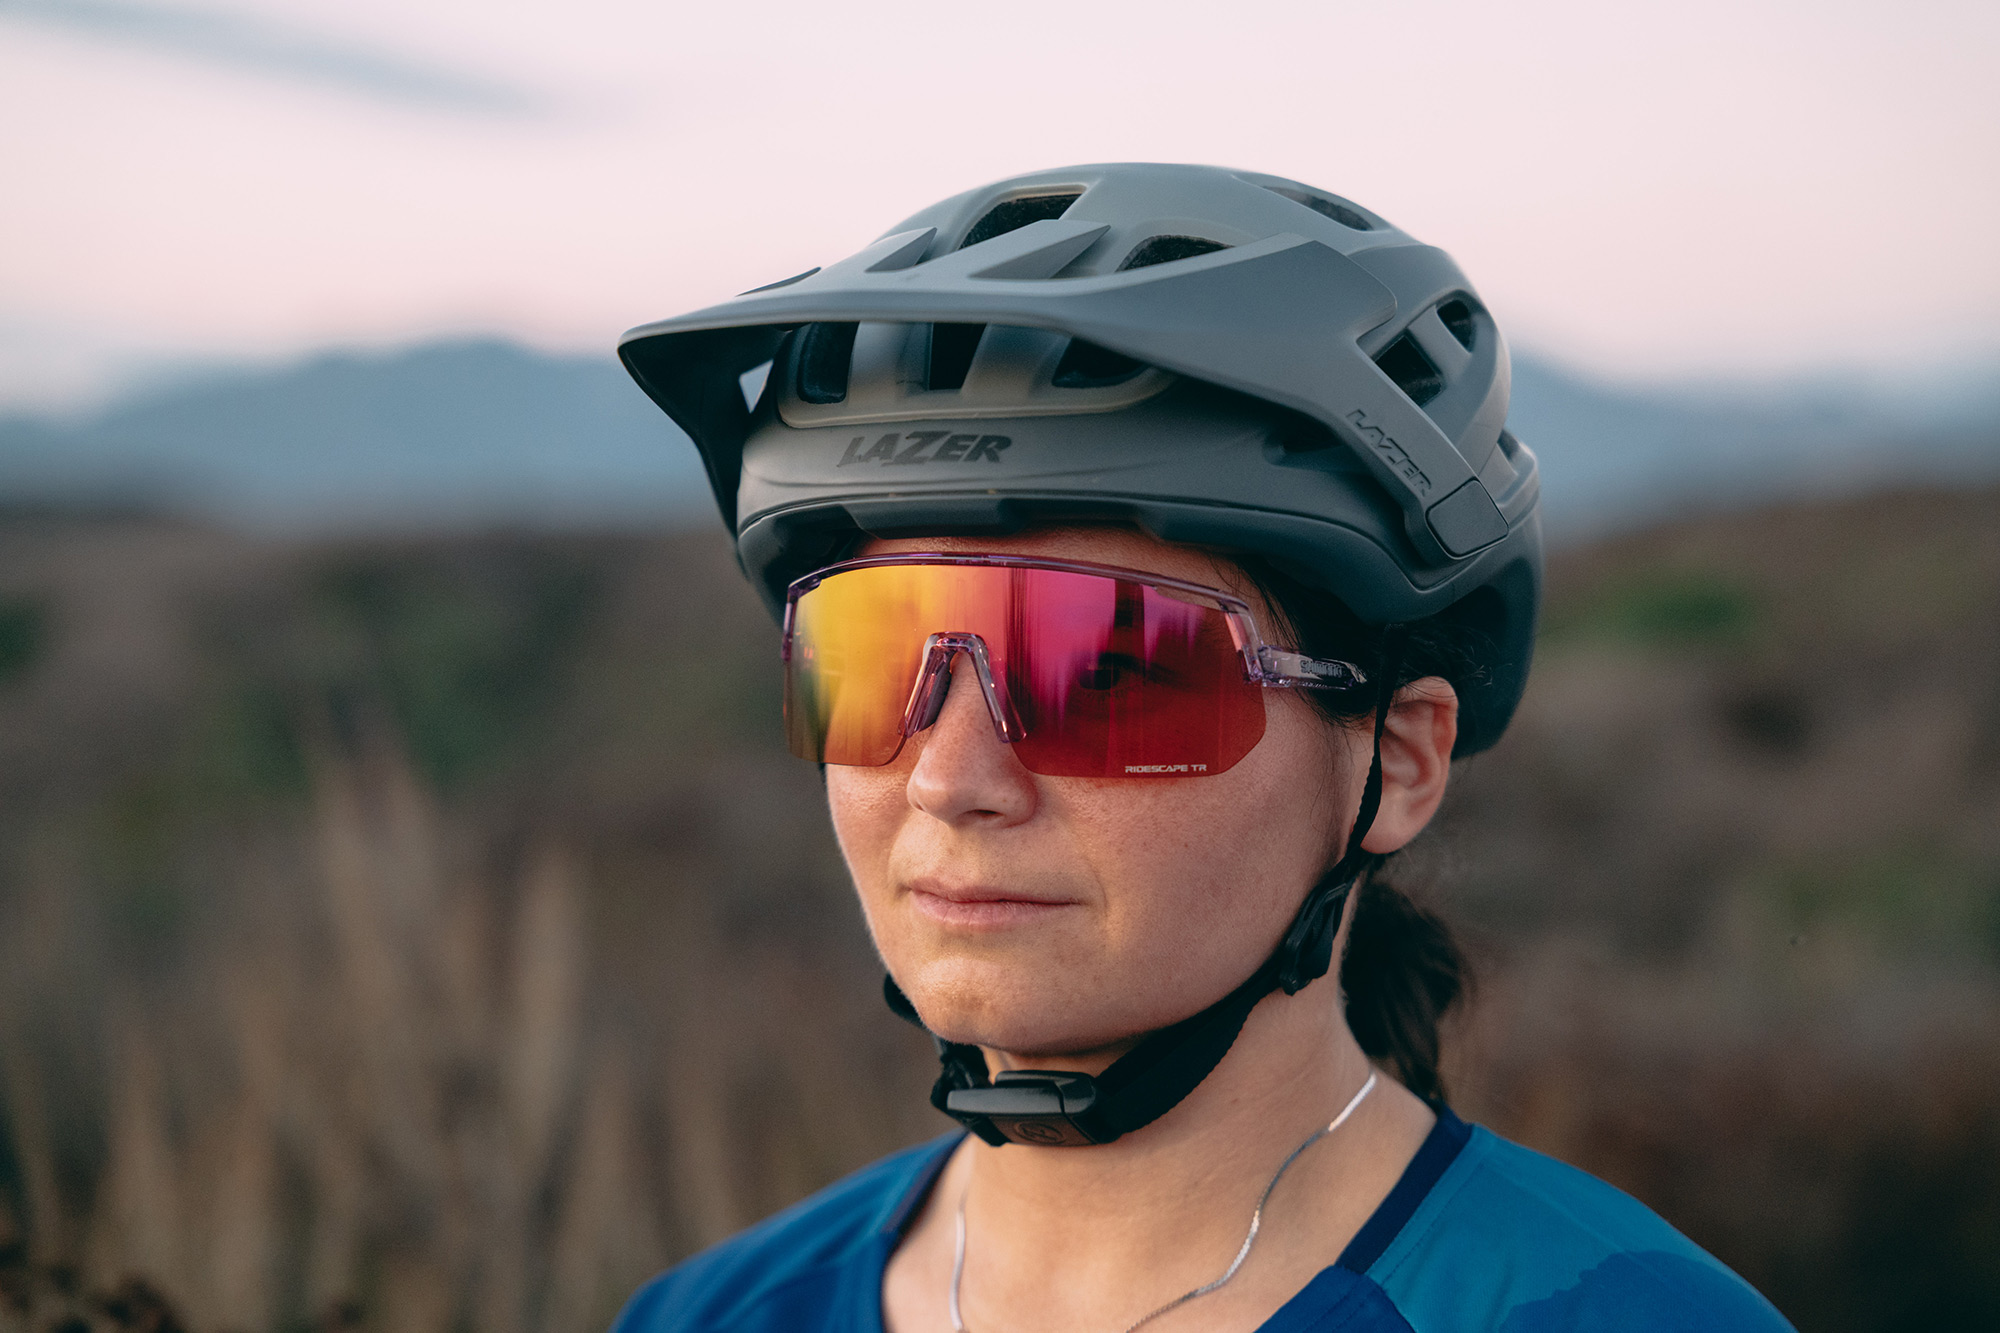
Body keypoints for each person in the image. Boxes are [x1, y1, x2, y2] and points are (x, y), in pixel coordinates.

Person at [609, 164, 1793, 1332]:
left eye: (1108, 674)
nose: (947, 778)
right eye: (871, 663)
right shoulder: (702, 1316)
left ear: (1399, 761)